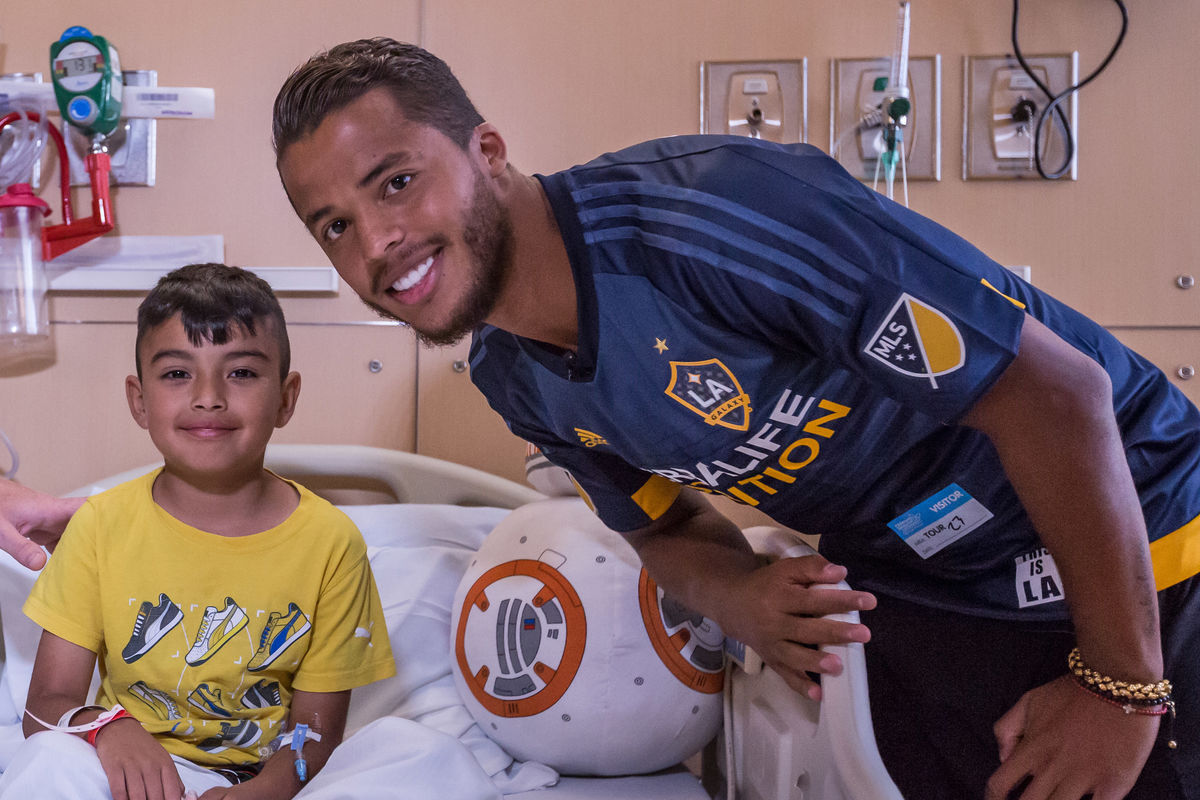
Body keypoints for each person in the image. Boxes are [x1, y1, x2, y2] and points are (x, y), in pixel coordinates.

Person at [264, 38, 1200, 800]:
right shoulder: (516, 374)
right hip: (930, 573)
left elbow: (1059, 396)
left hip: (1132, 523)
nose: (376, 243)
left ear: (490, 153)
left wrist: (1123, 688)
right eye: (334, 225)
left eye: (395, 182)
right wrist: (738, 596)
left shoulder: (711, 216)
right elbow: (662, 526)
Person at [0, 263, 396, 800]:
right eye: (177, 374)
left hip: (262, 783)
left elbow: (316, 737)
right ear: (139, 400)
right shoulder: (101, 526)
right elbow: (46, 703)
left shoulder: (331, 543)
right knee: (48, 758)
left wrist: (260, 794)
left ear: (286, 396)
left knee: (417, 752)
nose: (208, 396)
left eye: (241, 373)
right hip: (125, 768)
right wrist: (105, 726)